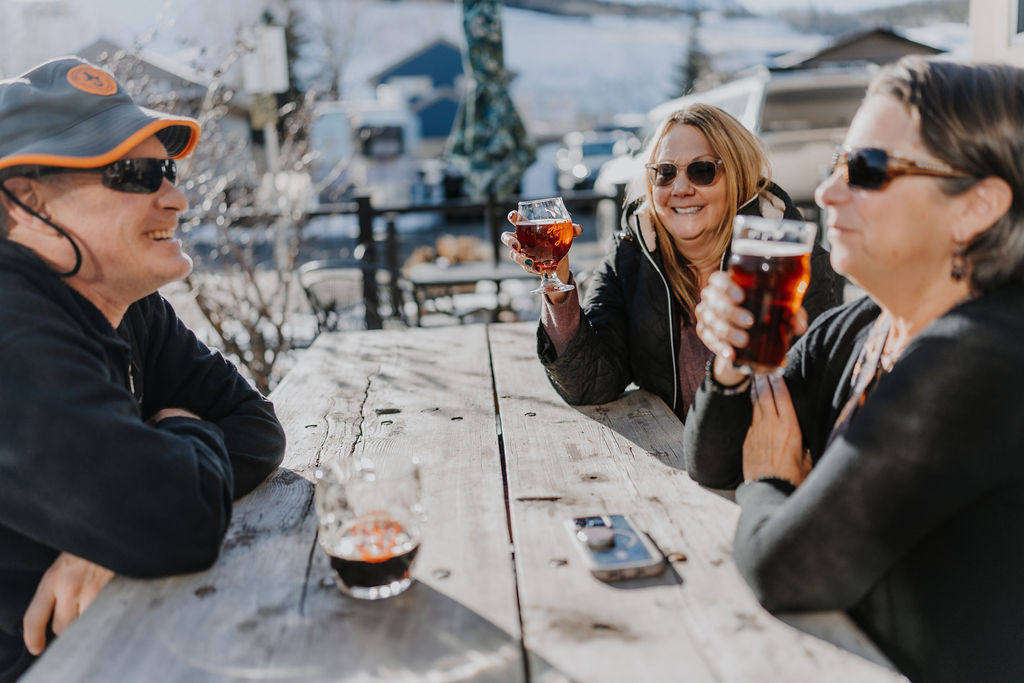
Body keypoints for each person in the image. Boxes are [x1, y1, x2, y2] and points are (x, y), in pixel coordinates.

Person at [685, 56, 1024, 682]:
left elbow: (785, 570)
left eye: (866, 169)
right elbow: (710, 459)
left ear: (976, 206)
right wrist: (734, 364)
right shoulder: (864, 325)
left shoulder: (982, 357)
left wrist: (770, 480)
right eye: (837, 164)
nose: (827, 192)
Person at [0, 57, 286, 681]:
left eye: (170, 169)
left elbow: (257, 427)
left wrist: (110, 533)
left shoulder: (124, 301)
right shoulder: (11, 324)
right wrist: (175, 439)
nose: (176, 197)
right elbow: (169, 518)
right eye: (135, 174)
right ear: (24, 204)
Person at [501, 103, 843, 422]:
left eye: (702, 171)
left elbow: (813, 391)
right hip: (666, 460)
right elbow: (590, 384)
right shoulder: (631, 255)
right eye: (665, 172)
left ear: (738, 177)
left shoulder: (789, 259)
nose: (680, 188)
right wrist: (558, 286)